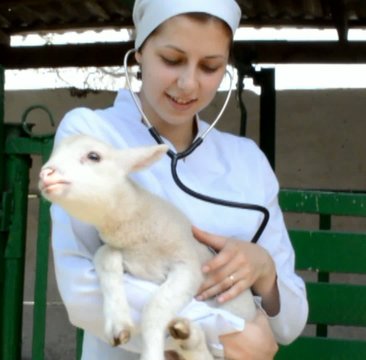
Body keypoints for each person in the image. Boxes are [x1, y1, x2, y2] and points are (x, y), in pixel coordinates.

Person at [49, 0, 308, 359]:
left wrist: (263, 270)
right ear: (139, 51)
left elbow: (288, 325)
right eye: (171, 60)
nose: (188, 84)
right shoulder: (91, 136)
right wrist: (223, 334)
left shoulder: (247, 161)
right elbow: (82, 288)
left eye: (210, 67)